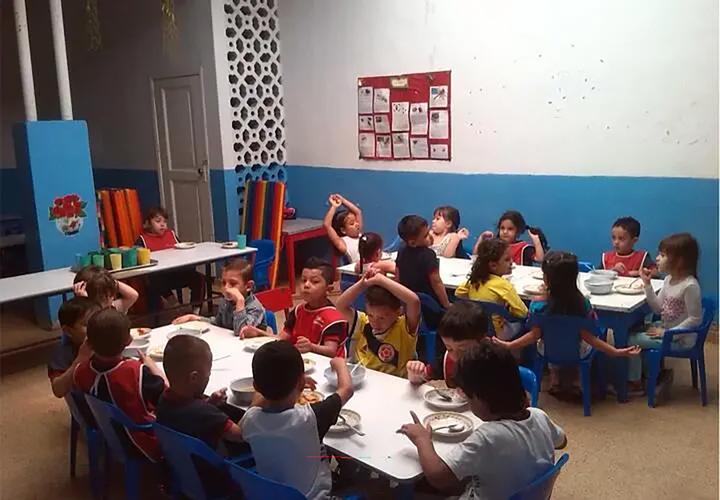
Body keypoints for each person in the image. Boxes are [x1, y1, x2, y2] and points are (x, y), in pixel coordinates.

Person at [399, 341, 567, 500]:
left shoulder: (488, 437)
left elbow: (438, 477)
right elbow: (562, 441)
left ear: (479, 399)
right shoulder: (539, 416)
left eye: (468, 397)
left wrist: (422, 439)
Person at [493, 251, 640, 393]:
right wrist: (615, 351)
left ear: (546, 279)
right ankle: (577, 379)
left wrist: (510, 345)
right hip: (577, 353)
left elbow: (534, 335)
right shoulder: (582, 305)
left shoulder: (537, 305)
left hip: (547, 351)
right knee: (575, 338)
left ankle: (554, 378)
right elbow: (590, 338)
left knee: (549, 337)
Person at [240, 341, 354, 500]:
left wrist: (287, 382)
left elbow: (255, 403)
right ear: (301, 383)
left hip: (271, 494)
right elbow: (346, 390)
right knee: (372, 488)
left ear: (255, 387)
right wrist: (340, 364)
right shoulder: (309, 418)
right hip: (314, 497)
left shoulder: (249, 420)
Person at [155, 335, 248, 498]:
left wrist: (209, 403)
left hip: (180, 472)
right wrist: (258, 403)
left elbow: (190, 416)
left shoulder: (164, 401)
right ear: (193, 377)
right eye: (209, 372)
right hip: (214, 480)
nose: (209, 376)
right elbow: (240, 435)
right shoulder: (203, 413)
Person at [73, 308, 167, 461]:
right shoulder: (136, 372)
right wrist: (153, 367)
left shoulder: (80, 372)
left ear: (88, 342)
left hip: (109, 435)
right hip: (143, 441)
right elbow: (167, 395)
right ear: (129, 340)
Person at [627, 233, 702, 394]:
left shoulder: (690, 286)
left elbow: (695, 319)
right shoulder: (668, 279)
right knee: (635, 329)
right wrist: (647, 285)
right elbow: (658, 309)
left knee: (631, 339)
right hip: (666, 330)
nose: (657, 259)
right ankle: (650, 374)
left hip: (680, 339)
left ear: (679, 260)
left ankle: (635, 383)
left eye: (662, 255)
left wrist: (667, 332)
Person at [336, 269, 421, 378]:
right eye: (371, 315)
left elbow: (414, 301)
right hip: (364, 379)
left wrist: (382, 280)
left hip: (394, 384)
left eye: (382, 318)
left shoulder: (404, 328)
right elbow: (340, 306)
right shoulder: (363, 323)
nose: (375, 323)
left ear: (398, 312)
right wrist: (362, 284)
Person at [136, 206, 205, 314]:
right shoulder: (142, 240)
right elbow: (139, 258)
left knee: (199, 278)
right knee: (155, 281)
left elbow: (181, 249)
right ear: (147, 223)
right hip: (159, 277)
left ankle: (195, 310)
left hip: (176, 273)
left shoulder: (171, 234)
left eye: (165, 221)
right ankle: (174, 303)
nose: (162, 224)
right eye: (158, 221)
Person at [174, 258, 267, 338]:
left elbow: (241, 331)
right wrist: (196, 318)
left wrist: (240, 301)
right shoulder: (226, 302)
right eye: (223, 283)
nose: (226, 288)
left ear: (248, 286)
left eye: (233, 284)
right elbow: (217, 323)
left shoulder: (255, 307)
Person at [455, 237, 528, 339]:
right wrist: (507, 310)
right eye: (507, 259)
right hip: (498, 333)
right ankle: (518, 353)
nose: (511, 262)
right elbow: (522, 313)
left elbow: (458, 293)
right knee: (526, 324)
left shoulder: (474, 280)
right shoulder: (503, 285)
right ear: (493, 265)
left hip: (477, 328)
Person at [407, 300, 488, 386]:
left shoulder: (494, 363)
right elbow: (423, 377)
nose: (455, 356)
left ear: (482, 341)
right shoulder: (446, 360)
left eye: (463, 350)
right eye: (449, 348)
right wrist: (415, 373)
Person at [278, 258, 348, 357]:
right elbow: (282, 337)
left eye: (314, 281)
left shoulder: (333, 318)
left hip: (328, 366)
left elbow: (331, 351)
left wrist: (311, 347)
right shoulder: (298, 311)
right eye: (303, 280)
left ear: (328, 289)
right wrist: (260, 333)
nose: (306, 285)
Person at [395, 215, 451, 329]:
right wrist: (447, 304)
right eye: (425, 235)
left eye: (429, 231)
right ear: (412, 243)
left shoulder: (402, 251)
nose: (430, 235)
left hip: (408, 305)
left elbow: (397, 276)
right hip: (428, 308)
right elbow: (436, 282)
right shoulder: (429, 255)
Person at [48, 297, 101, 398]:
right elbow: (58, 390)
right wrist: (81, 359)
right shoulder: (63, 352)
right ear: (68, 330)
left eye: (98, 320)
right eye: (86, 324)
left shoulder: (108, 341)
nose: (96, 327)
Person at [473, 210, 547, 266]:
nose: (505, 232)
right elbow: (475, 255)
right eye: (502, 228)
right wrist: (481, 238)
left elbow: (539, 259)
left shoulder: (523, 247)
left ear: (518, 231)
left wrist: (536, 240)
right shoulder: (494, 245)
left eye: (510, 229)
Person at [73, 265, 139, 313]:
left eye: (111, 295)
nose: (110, 299)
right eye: (102, 298)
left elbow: (133, 296)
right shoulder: (84, 318)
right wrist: (83, 301)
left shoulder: (112, 308)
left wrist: (111, 281)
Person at [323, 193, 363, 263]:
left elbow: (358, 212)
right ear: (343, 230)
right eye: (352, 223)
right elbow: (327, 225)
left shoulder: (360, 235)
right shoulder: (343, 244)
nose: (357, 224)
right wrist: (334, 206)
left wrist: (342, 200)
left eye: (356, 221)